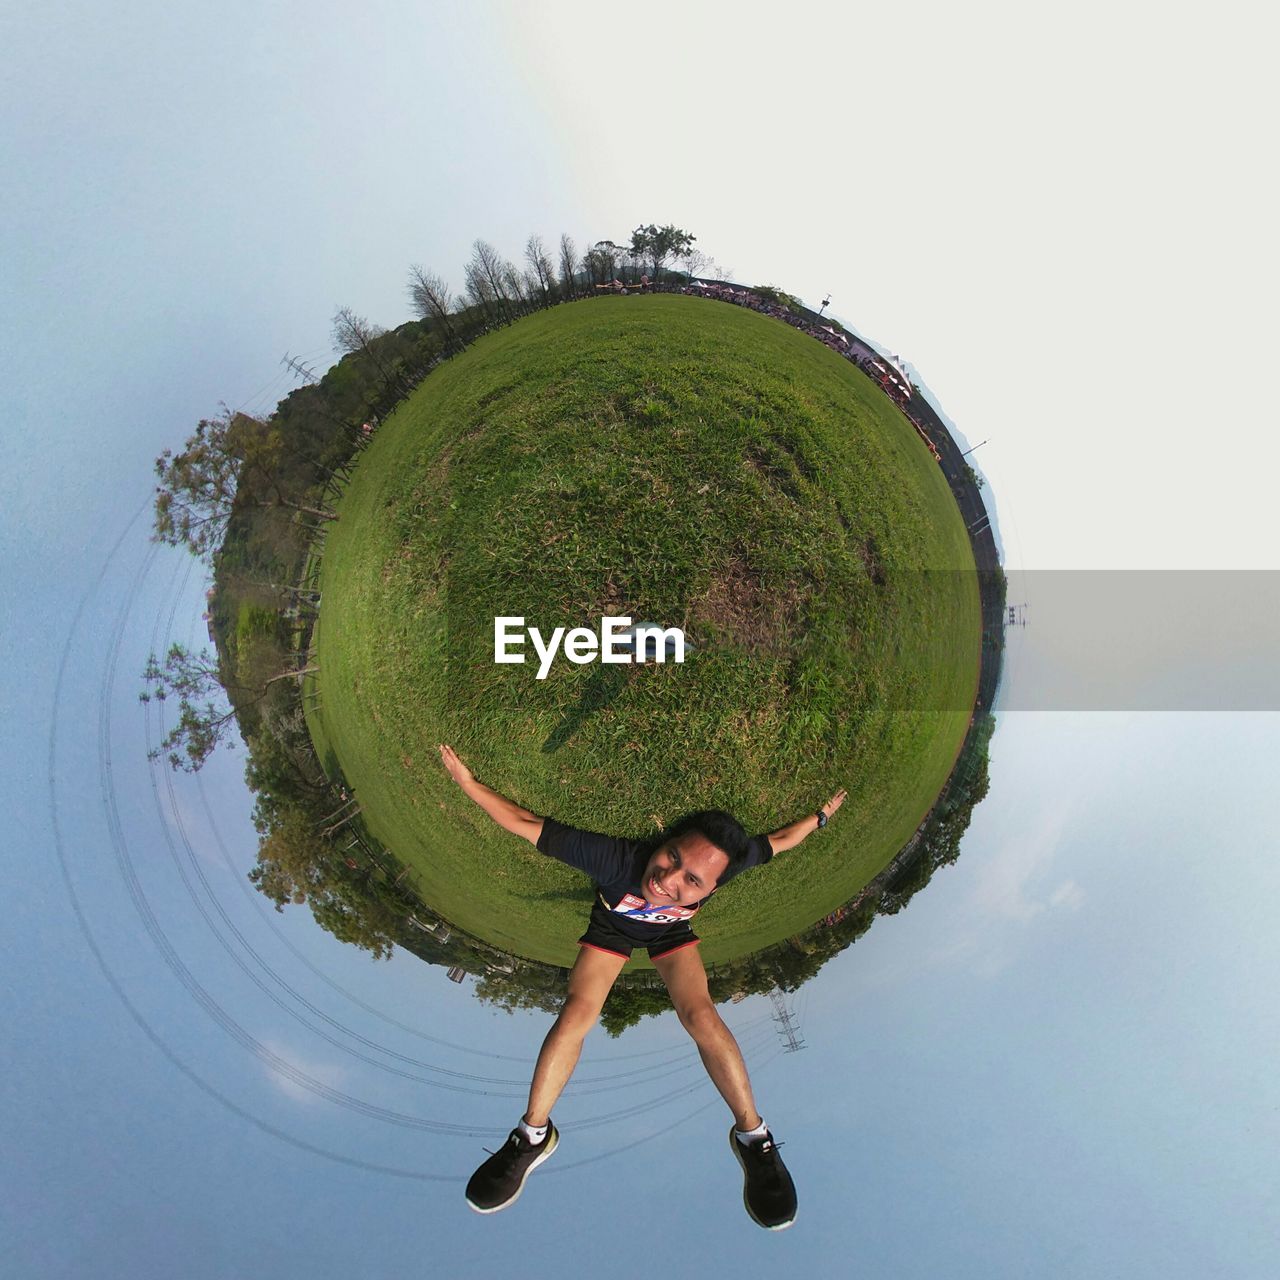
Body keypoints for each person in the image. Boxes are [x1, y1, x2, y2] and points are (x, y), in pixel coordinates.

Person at [437, 743, 846, 1229]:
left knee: (700, 1016)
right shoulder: (618, 862)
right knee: (577, 1015)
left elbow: (780, 839)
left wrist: (820, 818)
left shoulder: (734, 862)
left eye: (691, 879)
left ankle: (755, 1140)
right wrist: (468, 784)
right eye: (672, 856)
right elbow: (528, 824)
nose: (666, 878)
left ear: (714, 886)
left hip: (672, 934)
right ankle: (531, 1137)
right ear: (667, 841)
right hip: (611, 930)